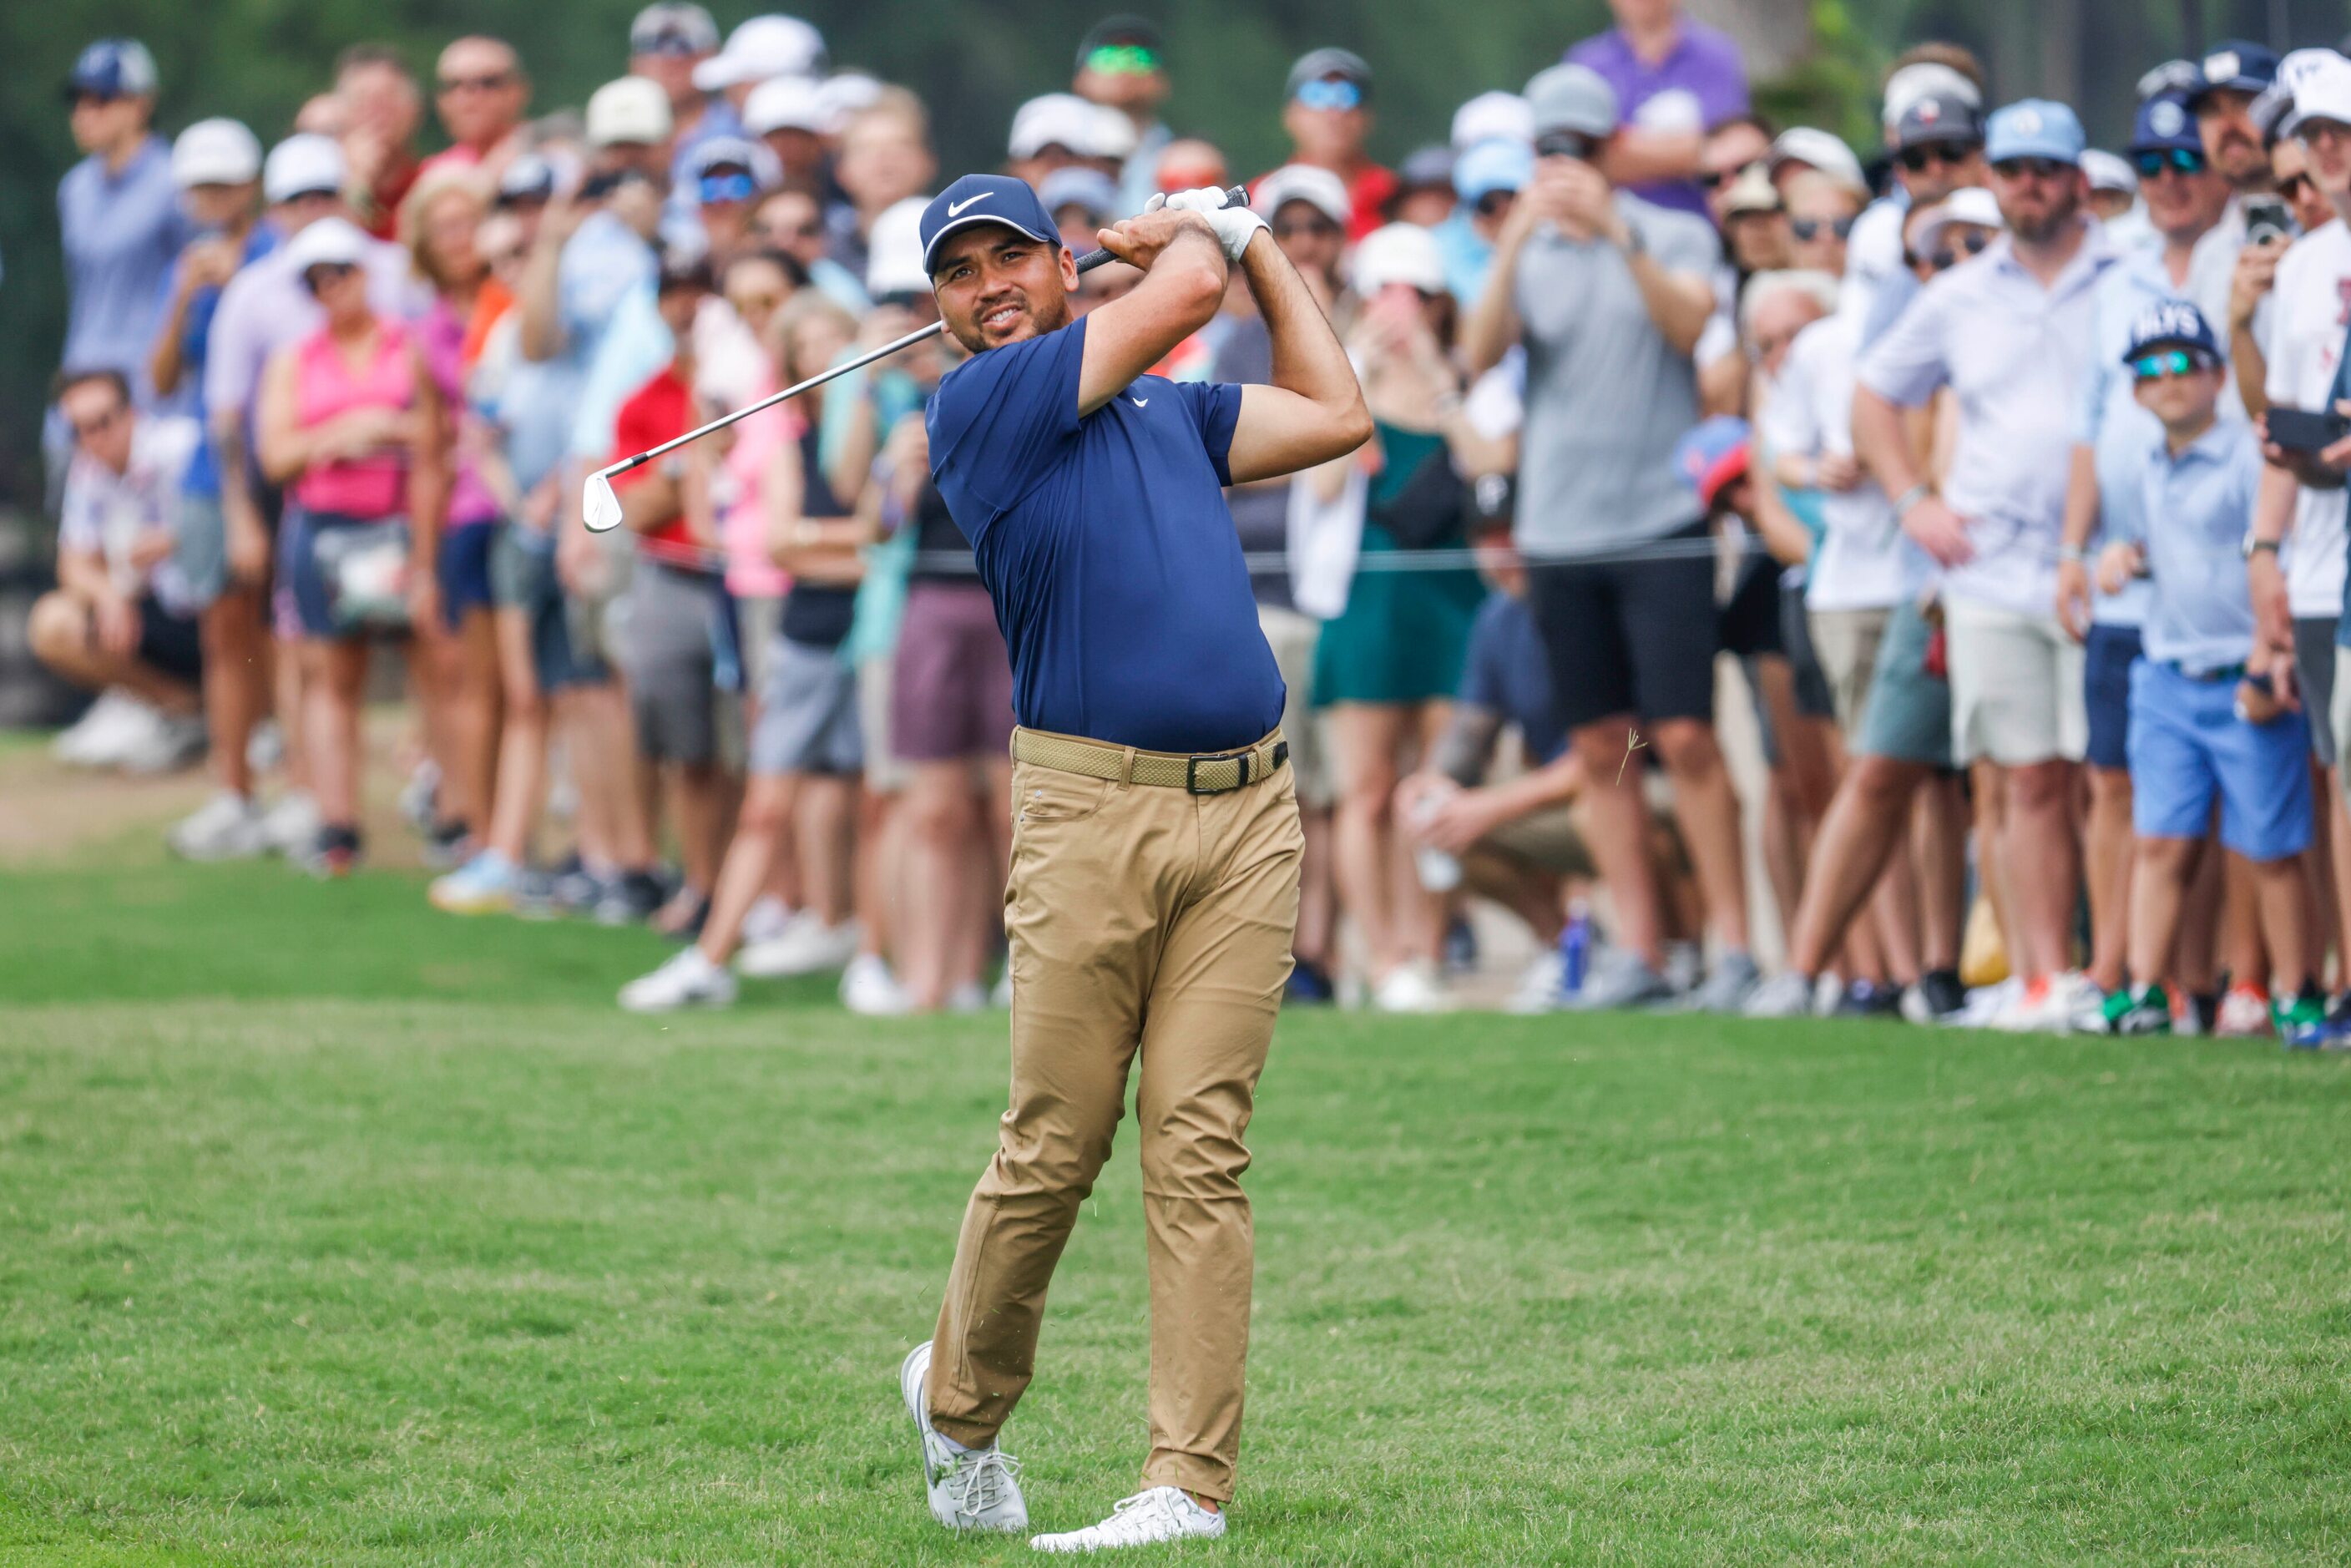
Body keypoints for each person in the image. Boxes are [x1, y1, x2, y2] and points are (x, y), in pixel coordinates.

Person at [899, 172, 1368, 1550]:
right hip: (1087, 817)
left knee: (1200, 1151)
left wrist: (1261, 240)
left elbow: (1338, 411)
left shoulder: (1171, 409)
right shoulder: (983, 411)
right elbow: (1181, 293)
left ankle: (1186, 1484)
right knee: (1055, 1143)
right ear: (938, 313)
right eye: (956, 273)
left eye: (1009, 260)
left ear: (1059, 268)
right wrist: (1184, 238)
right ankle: (963, 1407)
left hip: (1247, 814)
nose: (985, 286)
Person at [1464, 63, 1757, 1011]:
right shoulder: (1527, 249)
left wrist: (1616, 229)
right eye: (1550, 151)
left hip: (1659, 522)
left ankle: (1737, 951)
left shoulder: (1668, 232)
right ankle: (1642, 951)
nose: (1565, 167)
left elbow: (1686, 327)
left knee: (1682, 735)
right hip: (1558, 529)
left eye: (1581, 149)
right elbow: (1475, 355)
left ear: (1611, 151)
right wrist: (1513, 238)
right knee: (1599, 746)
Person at [1855, 99, 2119, 1034]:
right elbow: (1875, 395)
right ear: (1993, 180)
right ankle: (2047, 978)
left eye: (2045, 169)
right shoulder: (1957, 293)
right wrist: (1908, 503)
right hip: (1992, 570)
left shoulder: (2120, 272)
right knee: (2025, 776)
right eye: (2011, 170)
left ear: (2076, 181)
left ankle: (2114, 974)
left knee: (2108, 780)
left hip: (2109, 565)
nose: (2028, 184)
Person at [618, 293, 871, 1010]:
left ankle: (876, 954)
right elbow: (786, 541)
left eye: (838, 340)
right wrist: (864, 550)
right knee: (768, 804)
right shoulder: (790, 442)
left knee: (880, 805)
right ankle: (710, 957)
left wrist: (844, 547)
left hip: (882, 632)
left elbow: (870, 534)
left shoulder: (886, 429)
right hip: (809, 633)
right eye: (810, 344)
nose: (825, 357)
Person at [2092, 302, 2324, 1043]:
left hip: (2241, 676)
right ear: (2134, 390)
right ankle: (2144, 990)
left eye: (2183, 362)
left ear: (2218, 376)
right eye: (2150, 368)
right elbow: (2166, 550)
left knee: (2272, 848)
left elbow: (2269, 558)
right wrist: (2123, 557)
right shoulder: (2144, 466)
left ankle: (2298, 991)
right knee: (2159, 839)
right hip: (2167, 677)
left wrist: (2270, 655)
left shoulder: (2247, 457)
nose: (2168, 380)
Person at [2056, 91, 2232, 1022]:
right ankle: (2114, 974)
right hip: (2122, 575)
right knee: (2116, 781)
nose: (2167, 184)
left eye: (2182, 165)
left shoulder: (2239, 254)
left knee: (2229, 796)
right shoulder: (2116, 276)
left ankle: (2221, 981)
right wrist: (2069, 550)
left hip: (2215, 569)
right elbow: (2091, 424)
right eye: (2150, 168)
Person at [1307, 224, 1498, 1011]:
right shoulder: (1342, 384)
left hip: (1451, 604)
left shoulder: (1463, 381)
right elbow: (1318, 488)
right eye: (1386, 293)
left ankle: (1426, 948)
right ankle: (1382, 959)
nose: (1399, 309)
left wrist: (1433, 378)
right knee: (1366, 789)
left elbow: (1488, 466)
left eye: (1415, 294)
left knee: (1435, 782)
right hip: (1368, 602)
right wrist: (1355, 369)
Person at [255, 217, 447, 877]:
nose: (330, 287)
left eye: (340, 273)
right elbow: (275, 452)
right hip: (325, 526)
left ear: (364, 273)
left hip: (397, 522)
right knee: (334, 677)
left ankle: (450, 808)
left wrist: (386, 429)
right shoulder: (296, 360)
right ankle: (339, 824)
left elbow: (435, 432)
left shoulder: (407, 344)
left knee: (432, 664)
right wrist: (337, 433)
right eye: (317, 279)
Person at [1396, 530, 1599, 1012]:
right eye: (1487, 537)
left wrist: (1487, 807)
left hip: (1628, 790)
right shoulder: (1498, 619)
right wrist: (1430, 783)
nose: (1499, 552)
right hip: (1557, 799)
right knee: (1442, 819)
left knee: (1611, 813)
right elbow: (1469, 733)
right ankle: (1558, 952)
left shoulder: (1591, 609)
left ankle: (1667, 954)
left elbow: (1616, 757)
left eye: (1509, 533)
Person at [149, 119, 277, 855]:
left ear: (249, 186)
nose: (212, 197)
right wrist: (184, 297)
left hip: (278, 459)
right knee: (224, 634)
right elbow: (163, 378)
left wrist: (242, 288)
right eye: (201, 186)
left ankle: (294, 783)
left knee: (286, 634)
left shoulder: (279, 255)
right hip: (208, 467)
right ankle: (232, 791)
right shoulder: (187, 265)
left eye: (223, 184)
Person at [602, 252, 734, 938]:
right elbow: (641, 508)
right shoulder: (645, 400)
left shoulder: (750, 384)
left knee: (744, 747)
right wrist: (698, 455)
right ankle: (703, 885)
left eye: (702, 292)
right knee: (687, 748)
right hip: (672, 574)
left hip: (742, 577)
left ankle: (749, 892)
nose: (690, 307)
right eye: (677, 295)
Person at [31, 369, 207, 772]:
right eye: (79, 430)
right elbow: (72, 561)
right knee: (55, 621)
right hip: (147, 611)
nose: (93, 438)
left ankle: (257, 715)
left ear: (132, 414)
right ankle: (183, 713)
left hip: (211, 604)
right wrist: (107, 596)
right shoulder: (85, 471)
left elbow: (238, 522)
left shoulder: (181, 447)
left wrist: (177, 538)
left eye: (102, 423)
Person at [404, 169, 504, 865]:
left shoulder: (513, 302)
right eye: (445, 227)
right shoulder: (427, 330)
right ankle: (476, 819)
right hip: (469, 509)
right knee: (472, 678)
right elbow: (430, 452)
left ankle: (501, 828)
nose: (461, 238)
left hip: (523, 498)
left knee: (520, 685)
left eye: (471, 220)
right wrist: (422, 557)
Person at [58, 39, 190, 410]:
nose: (84, 113)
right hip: (82, 376)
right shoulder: (74, 188)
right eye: (78, 101)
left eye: (100, 100)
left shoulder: (175, 181)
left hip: (148, 389)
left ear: (141, 104)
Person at [1566, 0, 1751, 218]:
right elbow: (1576, 160)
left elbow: (1726, 152)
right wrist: (1685, 150)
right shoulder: (1585, 64)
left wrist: (1613, 148)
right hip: (1611, 231)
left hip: (1701, 224)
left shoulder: (1717, 57)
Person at [1277, 48, 1393, 239]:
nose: (1335, 113)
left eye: (1348, 95)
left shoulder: (1394, 197)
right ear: (1290, 115)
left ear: (1368, 116)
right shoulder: (1263, 199)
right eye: (1316, 95)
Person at [1072, 14, 1173, 218]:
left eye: (1140, 58)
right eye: (1109, 58)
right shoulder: (1055, 148)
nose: (1126, 70)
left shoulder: (1178, 151)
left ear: (1163, 81)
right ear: (1081, 78)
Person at [333, 45, 425, 241]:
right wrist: (356, 185)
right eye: (362, 101)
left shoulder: (434, 181)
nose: (377, 113)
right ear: (341, 114)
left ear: (415, 109)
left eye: (389, 98)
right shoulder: (319, 191)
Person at [1433, 136, 1530, 308]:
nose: (1503, 212)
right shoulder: (1436, 252)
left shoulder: (1558, 242)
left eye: (1511, 196)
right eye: (1487, 204)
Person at [422, 36, 529, 183]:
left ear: (518, 91)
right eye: (453, 85)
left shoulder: (553, 159)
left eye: (488, 83)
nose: (467, 100)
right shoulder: (435, 173)